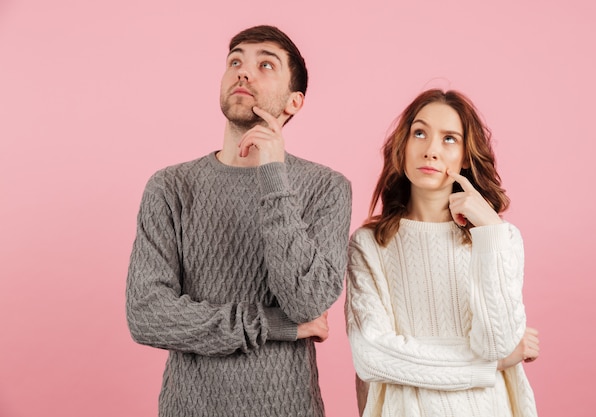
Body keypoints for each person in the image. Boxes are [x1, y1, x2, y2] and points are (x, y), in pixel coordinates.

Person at [126, 25, 352, 417]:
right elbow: (147, 315)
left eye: (266, 64)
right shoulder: (171, 187)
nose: (244, 71)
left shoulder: (327, 188)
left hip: (288, 407)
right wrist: (273, 324)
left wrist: (273, 178)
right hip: (190, 408)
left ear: (295, 102)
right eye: (235, 61)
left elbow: (307, 300)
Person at [345, 89, 539, 417]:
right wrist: (491, 365)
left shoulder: (499, 238)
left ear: (465, 155)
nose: (431, 150)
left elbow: (497, 343)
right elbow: (372, 358)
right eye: (419, 133)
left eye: (449, 139)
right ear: (403, 146)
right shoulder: (369, 245)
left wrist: (490, 232)